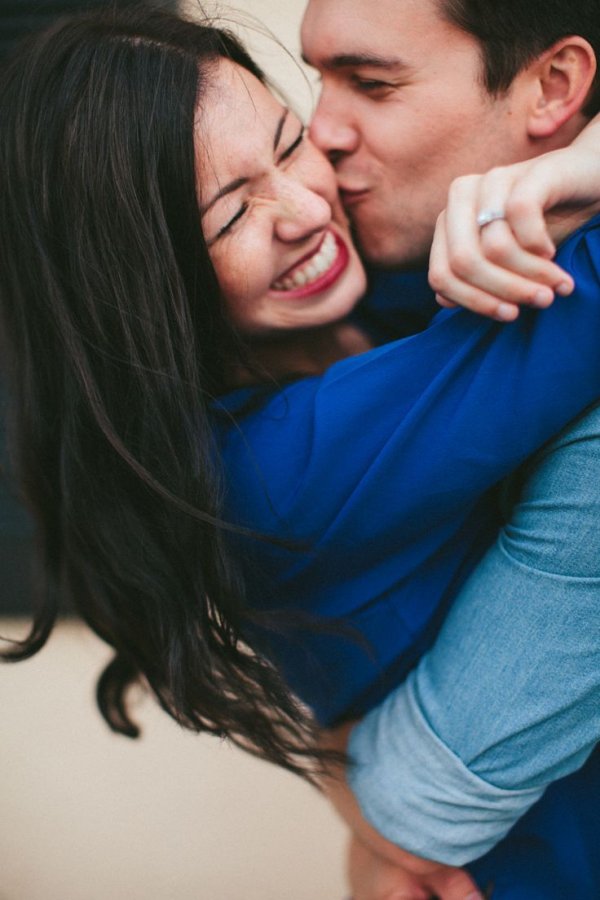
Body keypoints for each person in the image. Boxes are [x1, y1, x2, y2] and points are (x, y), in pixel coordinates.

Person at [1, 7, 599, 899]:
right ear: (147, 287)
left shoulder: (376, 298)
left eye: (287, 145)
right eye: (230, 212)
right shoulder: (270, 472)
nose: (305, 206)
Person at [299, 0, 600, 894]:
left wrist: (376, 810)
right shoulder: (365, 297)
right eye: (318, 81)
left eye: (371, 83)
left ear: (553, 87)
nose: (322, 131)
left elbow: (422, 800)